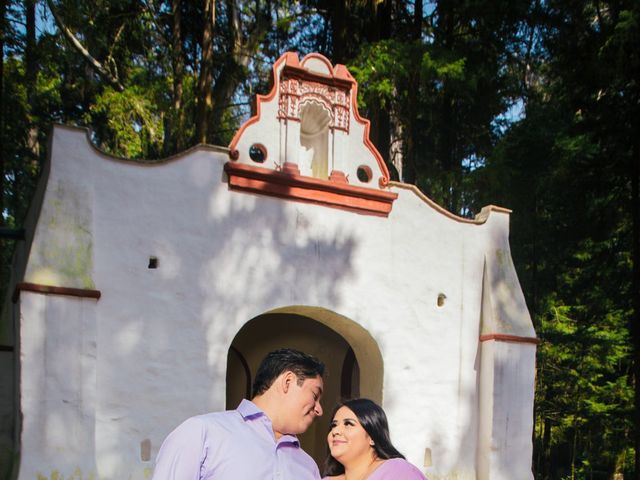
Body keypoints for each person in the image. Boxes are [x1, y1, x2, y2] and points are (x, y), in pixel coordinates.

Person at [152, 348, 325, 479]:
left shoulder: (309, 468)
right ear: (287, 382)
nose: (319, 409)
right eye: (315, 395)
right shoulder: (203, 433)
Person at [323, 398, 428, 480]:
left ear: (372, 436)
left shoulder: (397, 472)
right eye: (334, 425)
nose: (335, 431)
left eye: (348, 424)